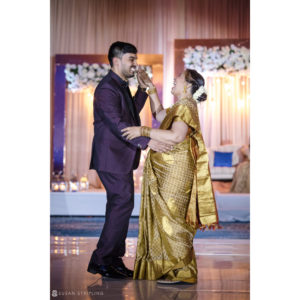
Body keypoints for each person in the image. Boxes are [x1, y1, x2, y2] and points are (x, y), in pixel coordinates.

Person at [122, 69, 221, 284]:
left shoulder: (185, 106)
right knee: (167, 216)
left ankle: (181, 271)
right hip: (170, 171)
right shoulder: (181, 106)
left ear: (188, 86)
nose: (173, 81)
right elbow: (161, 116)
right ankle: (172, 268)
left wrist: (143, 131)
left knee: (172, 217)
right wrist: (151, 90)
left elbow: (176, 136)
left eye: (177, 79)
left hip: (175, 172)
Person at [87, 41, 171, 279]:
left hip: (118, 157)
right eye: (131, 59)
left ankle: (110, 260)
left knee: (120, 207)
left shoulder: (120, 86)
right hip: (110, 157)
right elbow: (118, 124)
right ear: (117, 60)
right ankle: (103, 260)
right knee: (122, 205)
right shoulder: (106, 89)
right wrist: (147, 141)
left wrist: (144, 91)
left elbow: (131, 115)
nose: (136, 64)